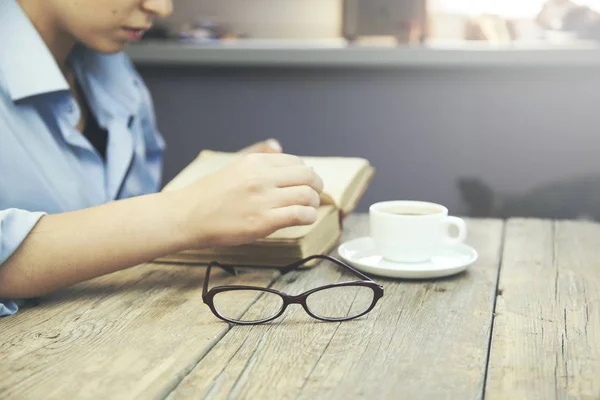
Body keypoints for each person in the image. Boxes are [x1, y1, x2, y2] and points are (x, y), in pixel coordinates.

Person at [0, 0, 324, 316]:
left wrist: (213, 194)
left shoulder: (110, 67)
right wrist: (187, 211)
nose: (162, 8)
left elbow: (128, 217)